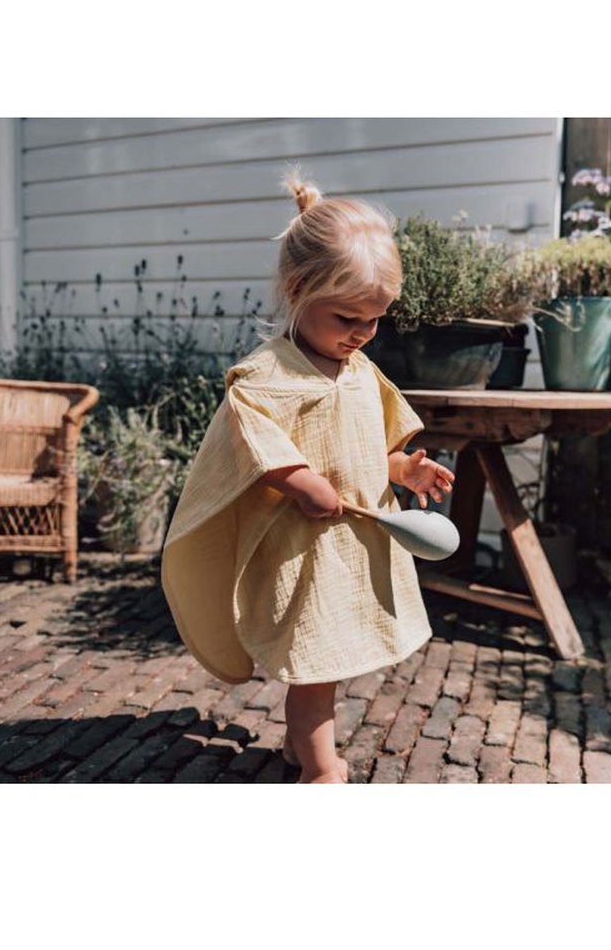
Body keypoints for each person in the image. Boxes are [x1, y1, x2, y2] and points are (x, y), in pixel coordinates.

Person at [161, 172, 455, 783]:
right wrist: (297, 479)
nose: (363, 333)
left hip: (353, 554)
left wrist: (405, 468)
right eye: (348, 317)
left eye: (376, 320)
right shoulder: (265, 378)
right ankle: (321, 770)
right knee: (317, 670)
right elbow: (254, 450)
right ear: (298, 289)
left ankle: (302, 749)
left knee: (331, 662)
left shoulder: (360, 372)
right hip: (305, 557)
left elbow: (369, 453)